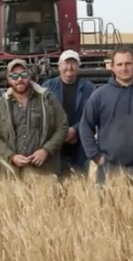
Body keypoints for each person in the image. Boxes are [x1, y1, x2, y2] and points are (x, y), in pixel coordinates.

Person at [78, 47, 133, 186]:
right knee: (108, 208)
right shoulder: (99, 95)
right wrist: (96, 157)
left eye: (128, 64)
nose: (124, 68)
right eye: (119, 64)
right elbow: (85, 126)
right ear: (112, 67)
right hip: (109, 168)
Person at [0, 59, 68, 180]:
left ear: (29, 76)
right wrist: (11, 156)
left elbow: (62, 127)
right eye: (14, 76)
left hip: (44, 172)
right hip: (13, 175)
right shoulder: (1, 106)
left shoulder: (47, 100)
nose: (19, 79)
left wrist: (46, 150)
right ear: (8, 80)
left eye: (23, 75)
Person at [41, 50, 97, 179]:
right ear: (59, 66)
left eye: (73, 63)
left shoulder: (89, 88)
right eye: (66, 63)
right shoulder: (47, 87)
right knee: (55, 183)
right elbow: (43, 114)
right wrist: (61, 133)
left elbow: (90, 115)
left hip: (80, 143)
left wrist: (74, 130)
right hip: (54, 143)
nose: (69, 67)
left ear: (78, 67)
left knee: (80, 181)